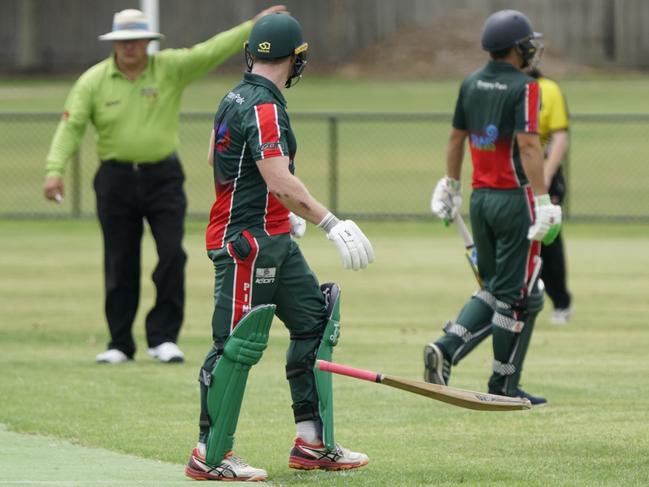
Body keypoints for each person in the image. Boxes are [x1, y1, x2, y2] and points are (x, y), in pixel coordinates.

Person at [184, 13, 374, 482]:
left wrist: (279, 212)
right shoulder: (265, 107)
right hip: (245, 242)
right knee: (236, 344)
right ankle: (211, 454)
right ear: (295, 60)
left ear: (252, 54)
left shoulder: (233, 97)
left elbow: (218, 158)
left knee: (315, 320)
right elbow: (276, 176)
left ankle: (312, 443)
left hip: (273, 239)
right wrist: (329, 221)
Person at [42, 6, 286, 364]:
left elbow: (210, 50)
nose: (130, 47)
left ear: (148, 42)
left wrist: (253, 27)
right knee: (120, 259)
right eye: (123, 41)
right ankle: (120, 342)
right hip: (115, 180)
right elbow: (71, 125)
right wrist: (54, 169)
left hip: (163, 178)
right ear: (114, 43)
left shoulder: (169, 68)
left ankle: (164, 337)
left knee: (172, 253)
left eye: (136, 40)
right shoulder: (93, 80)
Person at [424, 10, 562, 406]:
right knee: (516, 295)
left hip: (481, 199)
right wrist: (541, 200)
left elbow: (455, 139)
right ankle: (500, 384)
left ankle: (447, 349)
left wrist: (451, 186)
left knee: (497, 287)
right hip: (516, 199)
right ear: (517, 49)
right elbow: (529, 145)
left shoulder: (471, 82)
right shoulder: (526, 87)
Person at [528, 67, 573, 325]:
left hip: (545, 172)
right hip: (517, 174)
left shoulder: (549, 88)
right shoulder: (508, 87)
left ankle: (561, 303)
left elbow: (559, 136)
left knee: (548, 239)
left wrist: (545, 174)